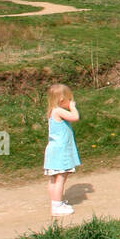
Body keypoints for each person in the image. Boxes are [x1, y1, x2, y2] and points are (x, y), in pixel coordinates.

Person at [43, 83, 80, 216]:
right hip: (61, 151)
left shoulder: (52, 111)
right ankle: (57, 206)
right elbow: (75, 117)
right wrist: (73, 107)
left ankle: (56, 202)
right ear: (61, 100)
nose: (71, 101)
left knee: (53, 179)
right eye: (69, 99)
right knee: (61, 178)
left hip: (53, 150)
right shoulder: (58, 111)